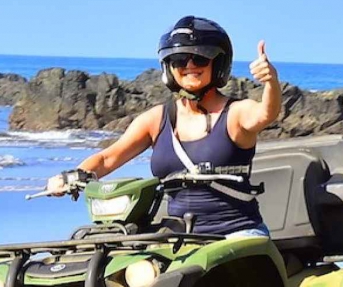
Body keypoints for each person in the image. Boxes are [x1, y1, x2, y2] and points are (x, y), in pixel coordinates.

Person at [45, 16, 281, 237]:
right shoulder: (157, 119)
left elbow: (265, 113)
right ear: (169, 67)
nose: (189, 65)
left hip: (236, 234)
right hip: (179, 237)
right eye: (179, 60)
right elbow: (108, 158)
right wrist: (70, 176)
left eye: (200, 58)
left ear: (217, 64)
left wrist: (271, 82)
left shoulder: (235, 113)